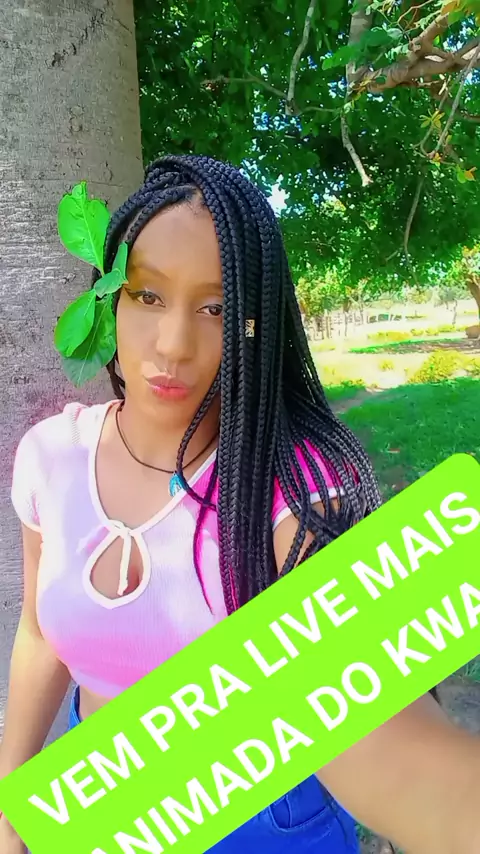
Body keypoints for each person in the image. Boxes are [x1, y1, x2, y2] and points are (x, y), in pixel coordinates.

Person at [0, 155, 478, 854]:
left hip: (257, 818)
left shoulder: (293, 490)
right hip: (90, 798)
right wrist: (11, 806)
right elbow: (41, 636)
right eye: (147, 296)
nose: (173, 345)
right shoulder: (51, 456)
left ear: (255, 323)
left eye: (216, 309)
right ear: (108, 301)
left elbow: (383, 737)